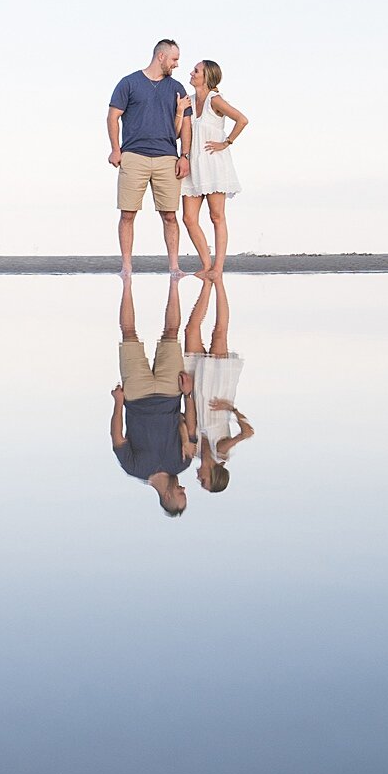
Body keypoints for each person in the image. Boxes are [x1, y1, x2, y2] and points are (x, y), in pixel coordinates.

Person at [109, 273, 196, 516]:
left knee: (128, 333)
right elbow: (190, 428)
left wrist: (118, 404)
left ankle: (126, 280)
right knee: (171, 332)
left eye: (181, 494)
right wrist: (188, 395)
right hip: (171, 393)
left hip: (137, 395)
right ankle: (175, 279)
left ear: (167, 496)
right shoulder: (183, 463)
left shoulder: (134, 468)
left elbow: (117, 437)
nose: (184, 489)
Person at [108, 40, 192, 273]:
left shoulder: (177, 88)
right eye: (174, 59)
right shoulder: (129, 83)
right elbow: (112, 117)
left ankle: (174, 267)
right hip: (133, 155)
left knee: (170, 215)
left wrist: (184, 156)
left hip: (167, 157)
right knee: (127, 213)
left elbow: (185, 124)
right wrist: (116, 149)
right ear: (161, 56)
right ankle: (126, 267)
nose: (177, 64)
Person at [181, 275, 252, 493]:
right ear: (213, 475)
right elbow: (248, 432)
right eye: (204, 481)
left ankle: (206, 284)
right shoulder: (220, 452)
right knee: (219, 334)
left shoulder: (194, 453)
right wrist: (231, 408)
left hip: (197, 393)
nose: (199, 479)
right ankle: (218, 282)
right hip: (216, 392)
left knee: (191, 330)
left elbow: (185, 421)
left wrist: (188, 395)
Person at [177, 59, 247, 278]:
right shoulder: (188, 101)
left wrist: (226, 142)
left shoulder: (215, 100)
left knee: (217, 216)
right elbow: (178, 131)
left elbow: (242, 120)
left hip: (214, 165)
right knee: (189, 218)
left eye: (196, 70)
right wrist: (179, 111)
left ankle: (218, 268)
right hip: (193, 164)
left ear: (206, 76)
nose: (191, 72)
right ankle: (206, 264)